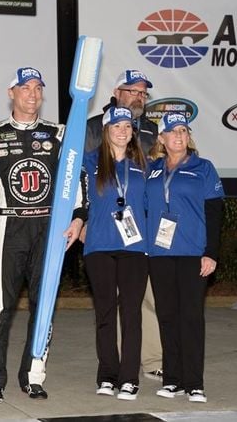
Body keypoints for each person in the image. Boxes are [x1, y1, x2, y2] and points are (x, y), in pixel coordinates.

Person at [0, 67, 86, 403]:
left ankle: (33, 375)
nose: (33, 94)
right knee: (2, 308)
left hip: (49, 230)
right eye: (25, 88)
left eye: (38, 88)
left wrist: (78, 219)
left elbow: (75, 180)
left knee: (44, 306)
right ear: (12, 92)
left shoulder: (60, 133)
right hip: (9, 228)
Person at [83, 69, 163, 382]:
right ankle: (112, 367)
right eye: (134, 91)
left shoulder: (151, 131)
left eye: (144, 93)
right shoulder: (91, 128)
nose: (139, 97)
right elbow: (78, 180)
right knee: (108, 305)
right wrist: (80, 219)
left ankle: (151, 359)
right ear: (117, 92)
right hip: (103, 230)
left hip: (137, 234)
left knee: (145, 300)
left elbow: (158, 182)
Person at [145, 112, 225, 404]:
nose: (179, 136)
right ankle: (173, 380)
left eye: (183, 130)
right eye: (172, 131)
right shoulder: (152, 170)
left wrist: (211, 253)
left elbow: (215, 214)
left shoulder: (203, 168)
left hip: (193, 254)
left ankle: (194, 383)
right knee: (166, 317)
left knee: (191, 318)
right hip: (159, 254)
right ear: (162, 139)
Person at [80, 106, 148, 401]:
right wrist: (77, 223)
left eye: (128, 126)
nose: (123, 130)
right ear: (105, 130)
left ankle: (129, 378)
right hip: (99, 246)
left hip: (135, 247)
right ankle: (107, 374)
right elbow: (75, 199)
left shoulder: (144, 165)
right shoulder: (89, 162)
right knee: (105, 313)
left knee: (131, 314)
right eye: (116, 125)